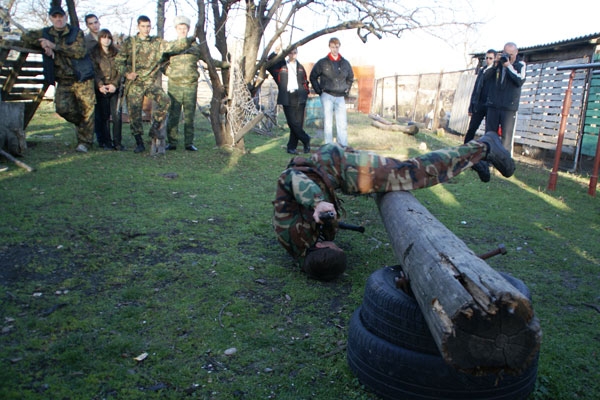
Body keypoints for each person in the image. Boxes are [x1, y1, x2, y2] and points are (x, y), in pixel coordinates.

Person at [273, 131, 515, 281]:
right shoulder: (300, 247)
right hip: (333, 169)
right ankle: (471, 160)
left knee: (413, 173)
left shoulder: (292, 231)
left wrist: (317, 202)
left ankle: (484, 147)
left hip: (337, 167)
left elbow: (289, 178)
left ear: (322, 247)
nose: (334, 241)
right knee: (405, 173)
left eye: (334, 246)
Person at [21, 5, 96, 153]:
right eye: (55, 17)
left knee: (88, 110)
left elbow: (79, 51)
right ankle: (82, 125)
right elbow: (25, 37)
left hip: (82, 78)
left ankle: (85, 142)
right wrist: (42, 43)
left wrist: (54, 46)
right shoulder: (45, 33)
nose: (58, 19)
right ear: (51, 18)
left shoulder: (76, 32)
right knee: (62, 109)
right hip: (63, 79)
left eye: (60, 16)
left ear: (65, 17)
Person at [115, 15, 188, 153]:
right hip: (135, 83)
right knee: (134, 113)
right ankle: (139, 142)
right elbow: (118, 62)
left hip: (149, 82)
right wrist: (126, 73)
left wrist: (188, 39)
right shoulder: (130, 43)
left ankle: (155, 125)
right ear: (138, 27)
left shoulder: (156, 42)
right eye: (143, 26)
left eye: (148, 26)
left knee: (165, 100)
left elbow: (172, 46)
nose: (146, 29)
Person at [164, 16, 201, 152]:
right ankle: (172, 142)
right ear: (176, 29)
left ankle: (189, 143)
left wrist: (224, 65)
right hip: (175, 86)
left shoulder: (195, 46)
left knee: (189, 116)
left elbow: (209, 60)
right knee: (173, 115)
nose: (182, 31)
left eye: (184, 28)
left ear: (188, 29)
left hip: (191, 86)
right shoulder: (172, 46)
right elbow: (161, 61)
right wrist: (168, 72)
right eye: (180, 28)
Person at [309, 37, 354, 147]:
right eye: (333, 47)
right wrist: (320, 91)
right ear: (329, 47)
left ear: (339, 47)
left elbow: (350, 77)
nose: (335, 49)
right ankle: (328, 147)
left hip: (340, 97)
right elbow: (313, 76)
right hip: (327, 95)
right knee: (328, 123)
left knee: (342, 123)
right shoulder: (323, 63)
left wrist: (346, 89)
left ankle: (343, 146)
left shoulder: (345, 63)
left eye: (337, 47)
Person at [484, 42, 526, 156]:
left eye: (511, 54)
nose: (508, 56)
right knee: (489, 135)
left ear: (516, 53)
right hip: (493, 105)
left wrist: (509, 67)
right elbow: (485, 76)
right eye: (505, 53)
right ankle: (487, 160)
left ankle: (504, 163)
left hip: (508, 108)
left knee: (506, 138)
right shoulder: (497, 64)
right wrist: (494, 63)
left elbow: (520, 81)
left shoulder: (520, 65)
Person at [267, 45, 311, 154]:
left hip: (300, 96)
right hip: (287, 96)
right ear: (287, 54)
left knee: (298, 123)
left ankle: (291, 147)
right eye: (290, 52)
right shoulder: (281, 65)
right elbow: (269, 64)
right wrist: (275, 52)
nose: (293, 55)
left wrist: (306, 92)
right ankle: (306, 139)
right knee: (292, 122)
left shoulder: (300, 67)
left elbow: (305, 81)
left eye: (294, 52)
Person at [465, 49, 497, 181]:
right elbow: (476, 89)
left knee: (489, 132)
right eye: (487, 58)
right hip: (479, 104)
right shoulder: (482, 70)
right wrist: (471, 105)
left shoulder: (495, 71)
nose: (488, 60)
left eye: (490, 58)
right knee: (472, 128)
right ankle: (465, 151)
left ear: (494, 59)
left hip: (490, 105)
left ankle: (488, 158)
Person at [90, 29, 124, 150]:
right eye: (104, 37)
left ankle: (118, 143)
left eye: (108, 38)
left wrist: (114, 84)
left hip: (114, 89)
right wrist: (100, 85)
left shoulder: (117, 53)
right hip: (101, 89)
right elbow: (94, 71)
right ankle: (106, 142)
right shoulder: (94, 53)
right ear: (99, 39)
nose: (106, 40)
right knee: (103, 117)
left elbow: (121, 70)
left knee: (116, 116)